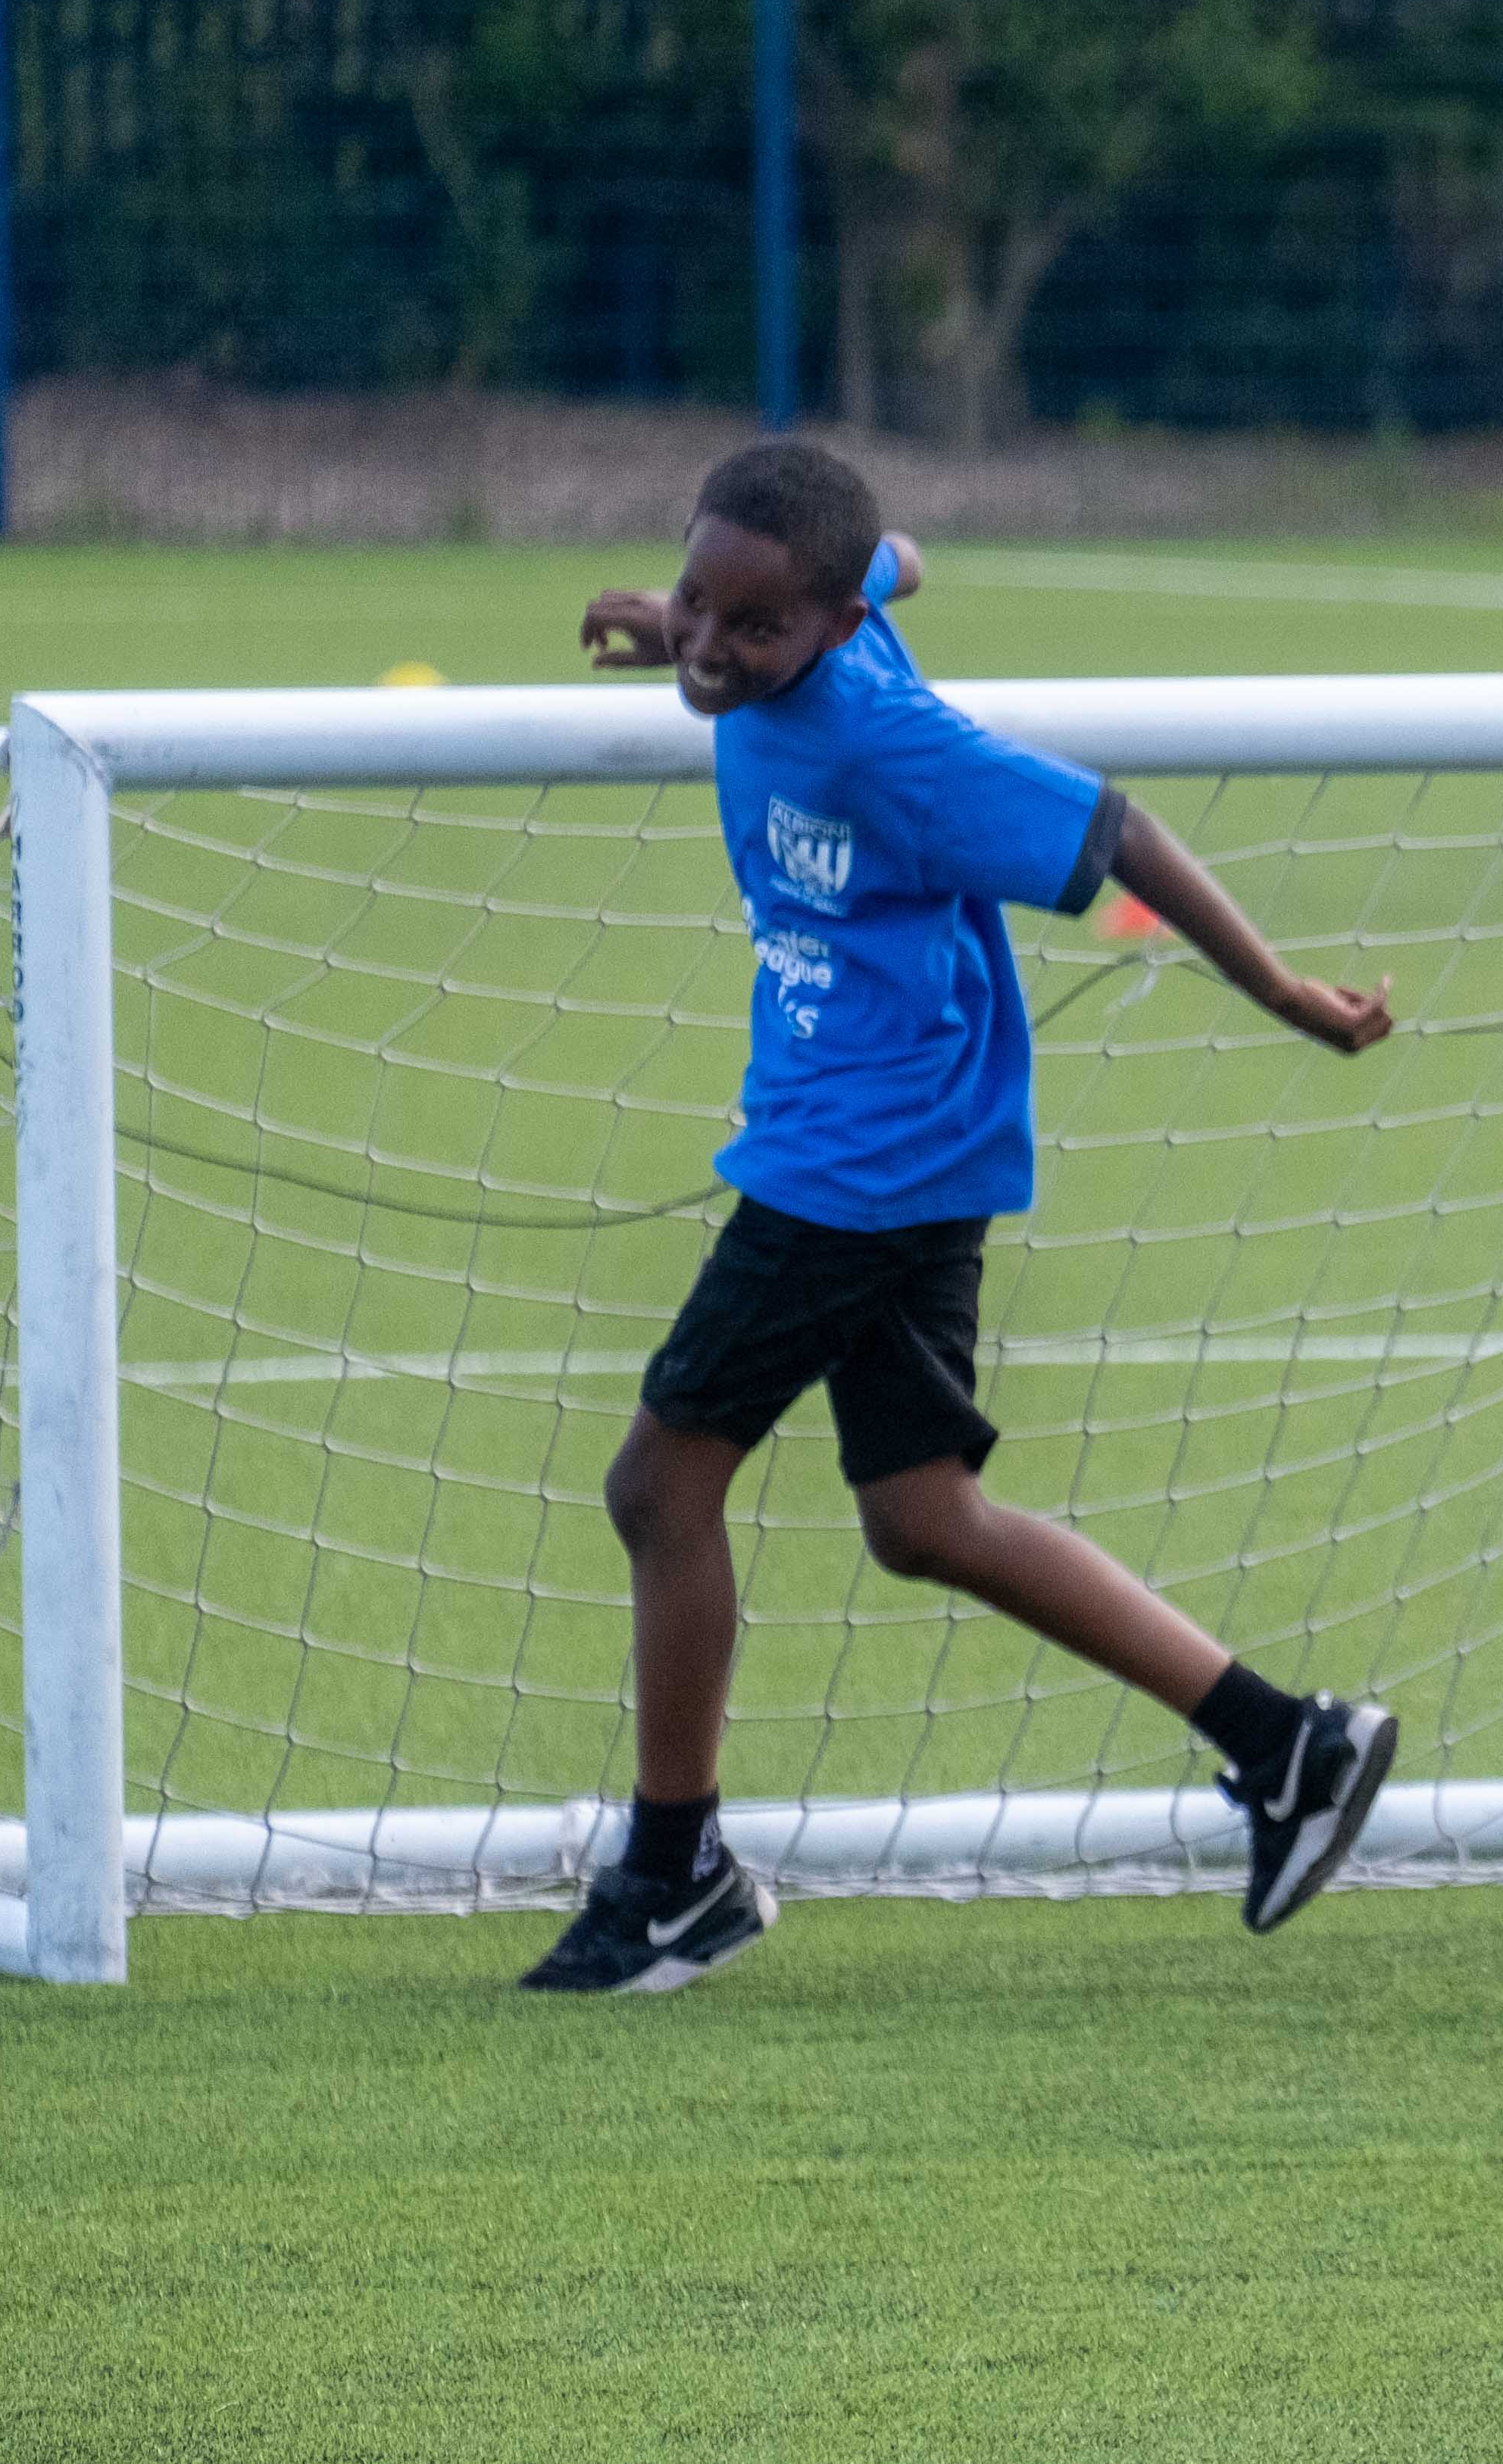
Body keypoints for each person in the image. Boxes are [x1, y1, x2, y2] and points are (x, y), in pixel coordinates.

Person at [527, 439, 1401, 1993]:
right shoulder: (815, 609)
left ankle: (671, 1877)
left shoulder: (886, 747)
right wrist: (659, 619)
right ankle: (1290, 1748)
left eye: (753, 629)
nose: (715, 652)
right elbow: (894, 558)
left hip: (851, 1169)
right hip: (902, 1151)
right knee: (923, 1521)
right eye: (693, 603)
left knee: (659, 1490)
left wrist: (1278, 991)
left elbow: (1113, 833)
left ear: (834, 633)